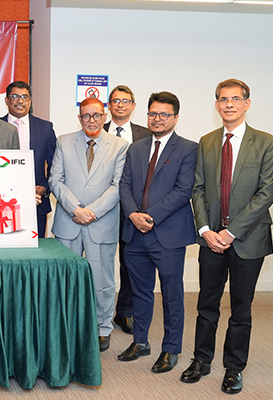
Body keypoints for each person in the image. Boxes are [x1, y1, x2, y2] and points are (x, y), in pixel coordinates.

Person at [181, 79, 273, 395]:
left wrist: (231, 233)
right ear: (217, 104)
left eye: (235, 99)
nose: (229, 104)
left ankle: (234, 367)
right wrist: (206, 230)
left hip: (248, 240)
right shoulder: (207, 142)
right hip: (210, 241)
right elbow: (197, 189)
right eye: (223, 99)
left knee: (241, 308)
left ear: (247, 103)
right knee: (206, 304)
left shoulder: (266, 142)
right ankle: (201, 359)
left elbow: (266, 193)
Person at [117, 92, 197, 373]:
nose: (157, 119)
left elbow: (183, 191)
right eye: (153, 113)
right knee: (140, 292)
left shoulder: (188, 148)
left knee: (172, 295)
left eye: (164, 114)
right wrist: (133, 214)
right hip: (135, 234)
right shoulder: (136, 148)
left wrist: (150, 217)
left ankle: (170, 348)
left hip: (168, 235)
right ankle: (140, 341)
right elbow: (124, 185)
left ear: (175, 117)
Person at [48, 97, 129, 352]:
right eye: (86, 116)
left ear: (105, 116)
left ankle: (102, 327)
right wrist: (75, 209)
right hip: (68, 222)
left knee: (101, 280)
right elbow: (55, 180)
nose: (91, 120)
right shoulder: (63, 142)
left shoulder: (120, 146)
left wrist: (90, 212)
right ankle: (67, 326)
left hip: (101, 224)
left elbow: (118, 186)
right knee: (65, 280)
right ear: (79, 118)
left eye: (96, 115)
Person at [104, 85, 153, 335]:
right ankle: (98, 313)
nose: (120, 105)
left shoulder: (147, 134)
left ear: (133, 106)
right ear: (109, 105)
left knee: (130, 263)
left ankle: (125, 312)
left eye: (126, 101)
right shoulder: (96, 129)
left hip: (132, 209)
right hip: (102, 208)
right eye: (116, 100)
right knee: (101, 262)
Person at [0, 81, 56, 237]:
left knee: (37, 247)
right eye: (15, 96)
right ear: (6, 100)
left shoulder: (45, 128)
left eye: (25, 97)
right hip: (2, 201)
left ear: (30, 101)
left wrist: (45, 188)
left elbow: (56, 165)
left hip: (37, 202)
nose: (20, 101)